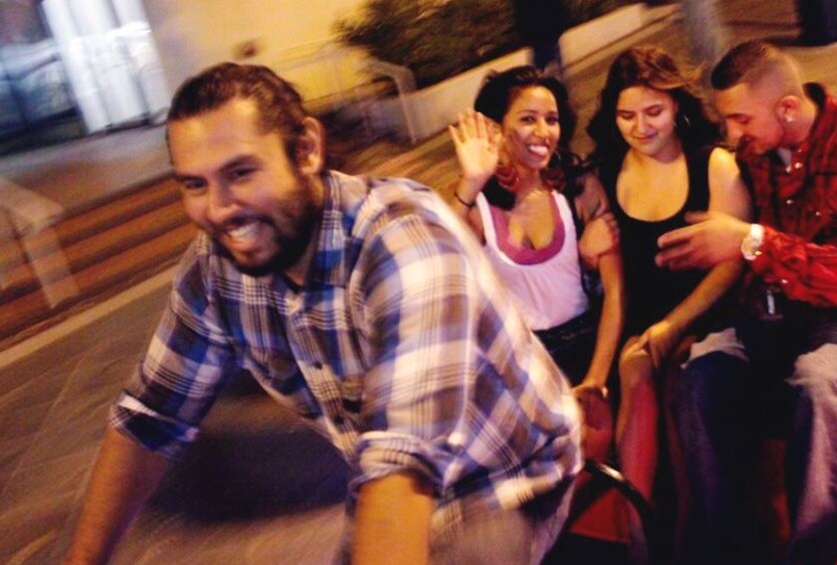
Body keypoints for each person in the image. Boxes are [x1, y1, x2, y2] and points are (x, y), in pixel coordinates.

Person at [64, 62, 582, 565]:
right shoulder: (215, 268)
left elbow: (402, 462)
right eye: (195, 185)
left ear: (307, 149)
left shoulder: (403, 243)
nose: (218, 209)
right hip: (389, 479)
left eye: (241, 173)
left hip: (510, 481)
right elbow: (150, 418)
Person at [655, 40, 837, 564]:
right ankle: (724, 549)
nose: (732, 134)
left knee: (822, 389)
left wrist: (754, 241)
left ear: (788, 108)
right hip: (765, 313)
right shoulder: (753, 152)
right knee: (700, 376)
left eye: (741, 119)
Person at [584, 45, 751, 559]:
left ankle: (683, 538)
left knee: (668, 371)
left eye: (653, 112)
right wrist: (589, 245)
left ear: (677, 106)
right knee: (634, 365)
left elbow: (733, 265)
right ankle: (642, 533)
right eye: (626, 115)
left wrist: (675, 326)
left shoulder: (713, 165)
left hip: (707, 318)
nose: (640, 127)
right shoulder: (607, 170)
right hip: (638, 323)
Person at [448, 65, 624, 396]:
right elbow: (442, 266)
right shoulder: (476, 205)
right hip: (522, 365)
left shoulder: (579, 188)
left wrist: (595, 381)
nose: (544, 132)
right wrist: (471, 182)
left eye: (552, 120)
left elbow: (616, 294)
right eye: (528, 119)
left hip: (589, 347)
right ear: (497, 127)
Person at [513, 0, 570, 77]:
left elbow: (521, 15)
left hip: (541, 37)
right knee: (552, 71)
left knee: (540, 71)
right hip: (546, 36)